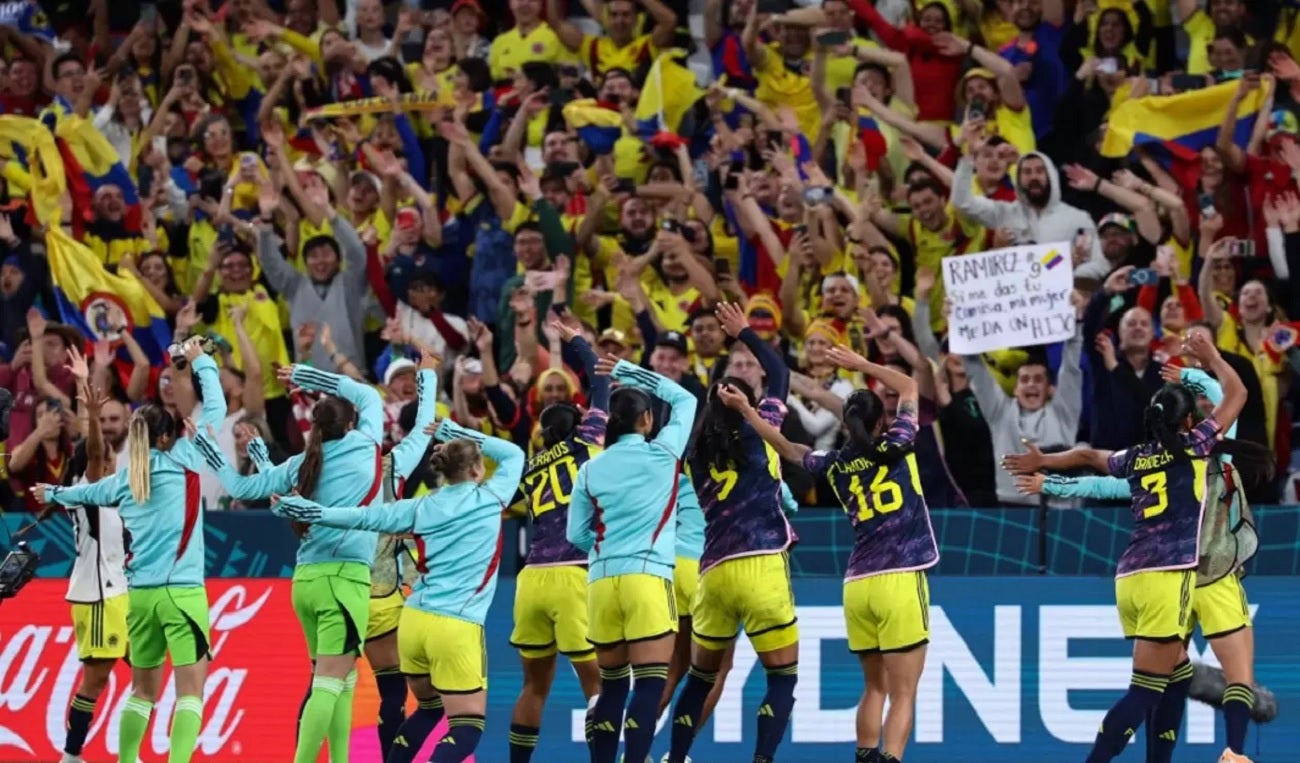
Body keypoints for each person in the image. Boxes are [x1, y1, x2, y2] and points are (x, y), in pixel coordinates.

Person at [1001, 331, 1248, 763]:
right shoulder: (1197, 447)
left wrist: (1044, 462)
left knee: (1175, 674)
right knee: (1143, 692)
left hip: (1130, 576)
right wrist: (1210, 357)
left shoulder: (1135, 457)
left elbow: (1087, 456)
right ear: (1189, 422)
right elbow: (1238, 392)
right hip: (1168, 577)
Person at [273, 419, 526, 763]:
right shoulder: (492, 497)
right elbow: (513, 453)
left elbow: (362, 517)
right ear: (478, 469)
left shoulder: (420, 508)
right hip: (457, 625)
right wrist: (453, 431)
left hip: (414, 621)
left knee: (427, 708)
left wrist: (311, 511)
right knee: (467, 727)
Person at [729, 344, 936, 763]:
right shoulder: (899, 442)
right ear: (883, 420)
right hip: (901, 574)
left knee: (874, 687)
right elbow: (912, 384)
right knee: (904, 692)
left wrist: (748, 413)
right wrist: (861, 365)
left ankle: (863, 756)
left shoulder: (835, 463)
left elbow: (787, 448)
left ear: (845, 422)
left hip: (857, 582)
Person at [35, 337, 227, 763]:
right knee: (191, 692)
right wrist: (200, 365)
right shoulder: (185, 460)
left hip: (139, 597)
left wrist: (50, 490)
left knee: (142, 691)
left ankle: (126, 761)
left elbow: (77, 493)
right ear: (165, 438)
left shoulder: (123, 480)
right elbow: (215, 409)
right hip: (182, 592)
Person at [241, 355, 441, 761]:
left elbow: (283, 484)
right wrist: (429, 376)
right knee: (390, 692)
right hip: (377, 593)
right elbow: (423, 428)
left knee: (325, 684)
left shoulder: (319, 467)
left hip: (322, 580)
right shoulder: (393, 467)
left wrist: (260, 453)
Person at [195, 361, 394, 763]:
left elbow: (241, 486)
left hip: (305, 582)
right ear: (352, 422)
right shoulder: (366, 444)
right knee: (329, 680)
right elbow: (362, 390)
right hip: (345, 581)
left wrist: (210, 449)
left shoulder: (302, 463)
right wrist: (304, 374)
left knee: (342, 679)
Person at [666, 302, 799, 763]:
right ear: (750, 404)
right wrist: (746, 333)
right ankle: (762, 758)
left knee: (700, 678)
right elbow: (780, 373)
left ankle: (675, 758)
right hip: (762, 563)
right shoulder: (763, 429)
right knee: (781, 677)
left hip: (713, 573)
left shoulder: (693, 451)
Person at [565, 356, 698, 763]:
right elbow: (685, 398)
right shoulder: (662, 456)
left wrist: (605, 547)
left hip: (601, 582)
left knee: (611, 685)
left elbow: (575, 534)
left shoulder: (590, 468)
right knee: (649, 684)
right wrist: (627, 368)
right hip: (647, 578)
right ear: (644, 419)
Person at [506, 319, 609, 762]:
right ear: (580, 422)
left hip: (531, 578)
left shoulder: (529, 467)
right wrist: (578, 343)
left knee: (534, 685)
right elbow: (601, 382)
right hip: (573, 573)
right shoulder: (587, 445)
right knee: (599, 686)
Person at [47, 379, 127, 763]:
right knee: (96, 681)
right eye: (109, 459)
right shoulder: (88, 489)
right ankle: (71, 755)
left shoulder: (114, 499)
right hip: (98, 597)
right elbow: (94, 453)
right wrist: (93, 418)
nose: (111, 463)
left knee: (148, 669)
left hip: (120, 595)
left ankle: (129, 751)